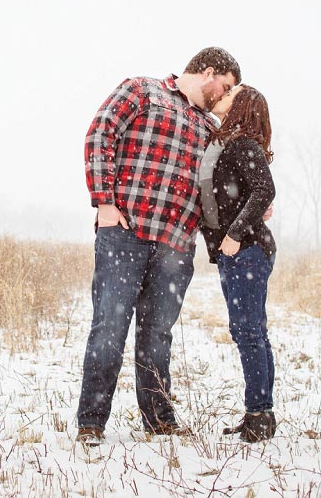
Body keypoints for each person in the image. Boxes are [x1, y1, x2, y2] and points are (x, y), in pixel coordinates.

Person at [76, 46, 242, 446]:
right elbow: (101, 134)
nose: (226, 95)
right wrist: (105, 203)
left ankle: (158, 419)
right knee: (109, 328)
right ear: (208, 71)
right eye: (226, 85)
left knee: (158, 334)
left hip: (176, 248)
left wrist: (251, 212)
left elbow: (215, 193)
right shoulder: (143, 90)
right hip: (125, 234)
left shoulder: (210, 128)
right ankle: (92, 422)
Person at [200, 84, 277, 443]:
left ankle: (259, 415)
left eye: (232, 93)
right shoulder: (228, 144)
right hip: (238, 253)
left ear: (242, 105)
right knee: (252, 331)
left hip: (247, 251)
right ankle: (260, 413)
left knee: (248, 332)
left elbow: (265, 190)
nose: (224, 94)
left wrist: (233, 235)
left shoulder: (243, 143)